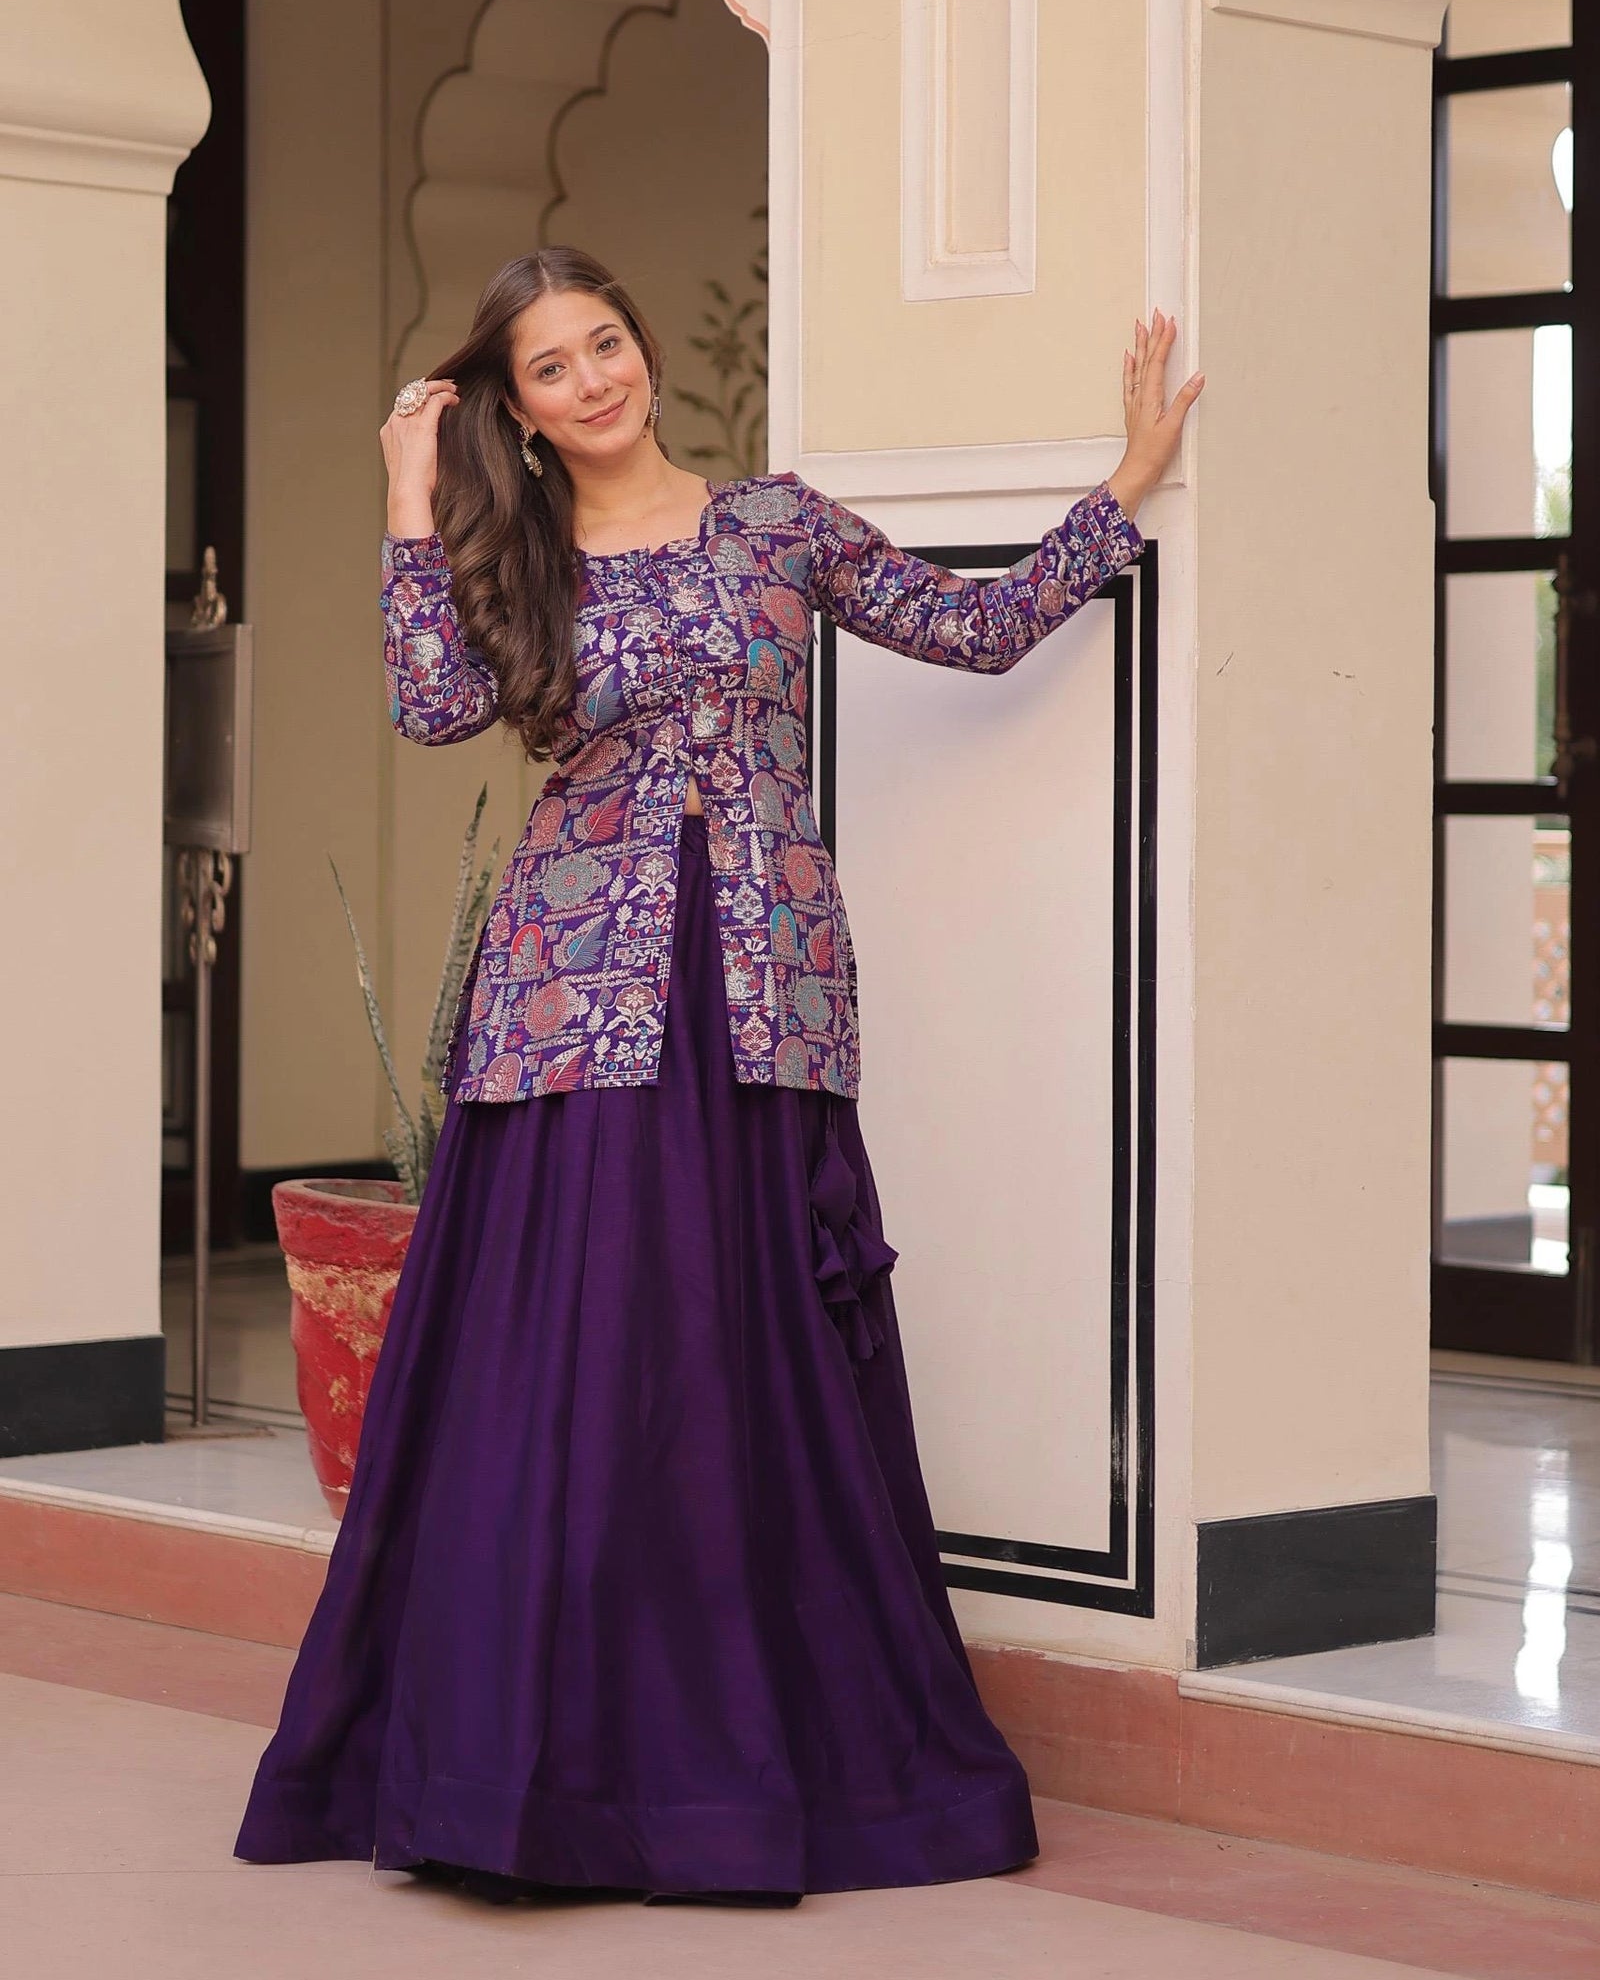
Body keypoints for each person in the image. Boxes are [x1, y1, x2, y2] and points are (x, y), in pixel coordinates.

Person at [234, 246, 1202, 1908]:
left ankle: (736, 1765)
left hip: (763, 993)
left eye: (604, 341)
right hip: (570, 1005)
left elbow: (965, 630)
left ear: (644, 348)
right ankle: (526, 1774)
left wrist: (1121, 486)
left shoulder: (775, 523)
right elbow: (428, 702)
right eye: (551, 367)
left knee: (735, 1374)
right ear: (521, 412)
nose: (593, 378)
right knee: (578, 1372)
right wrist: (407, 486)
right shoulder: (516, 559)